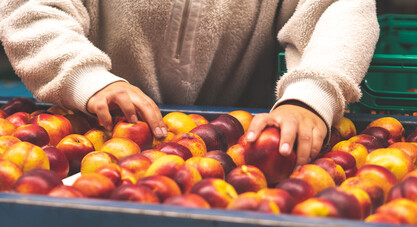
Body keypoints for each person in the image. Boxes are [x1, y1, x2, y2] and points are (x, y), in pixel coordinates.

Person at [0, 0, 379, 166]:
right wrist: (85, 77)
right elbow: (32, 8)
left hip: (238, 149)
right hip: (92, 127)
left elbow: (340, 8)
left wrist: (309, 97)